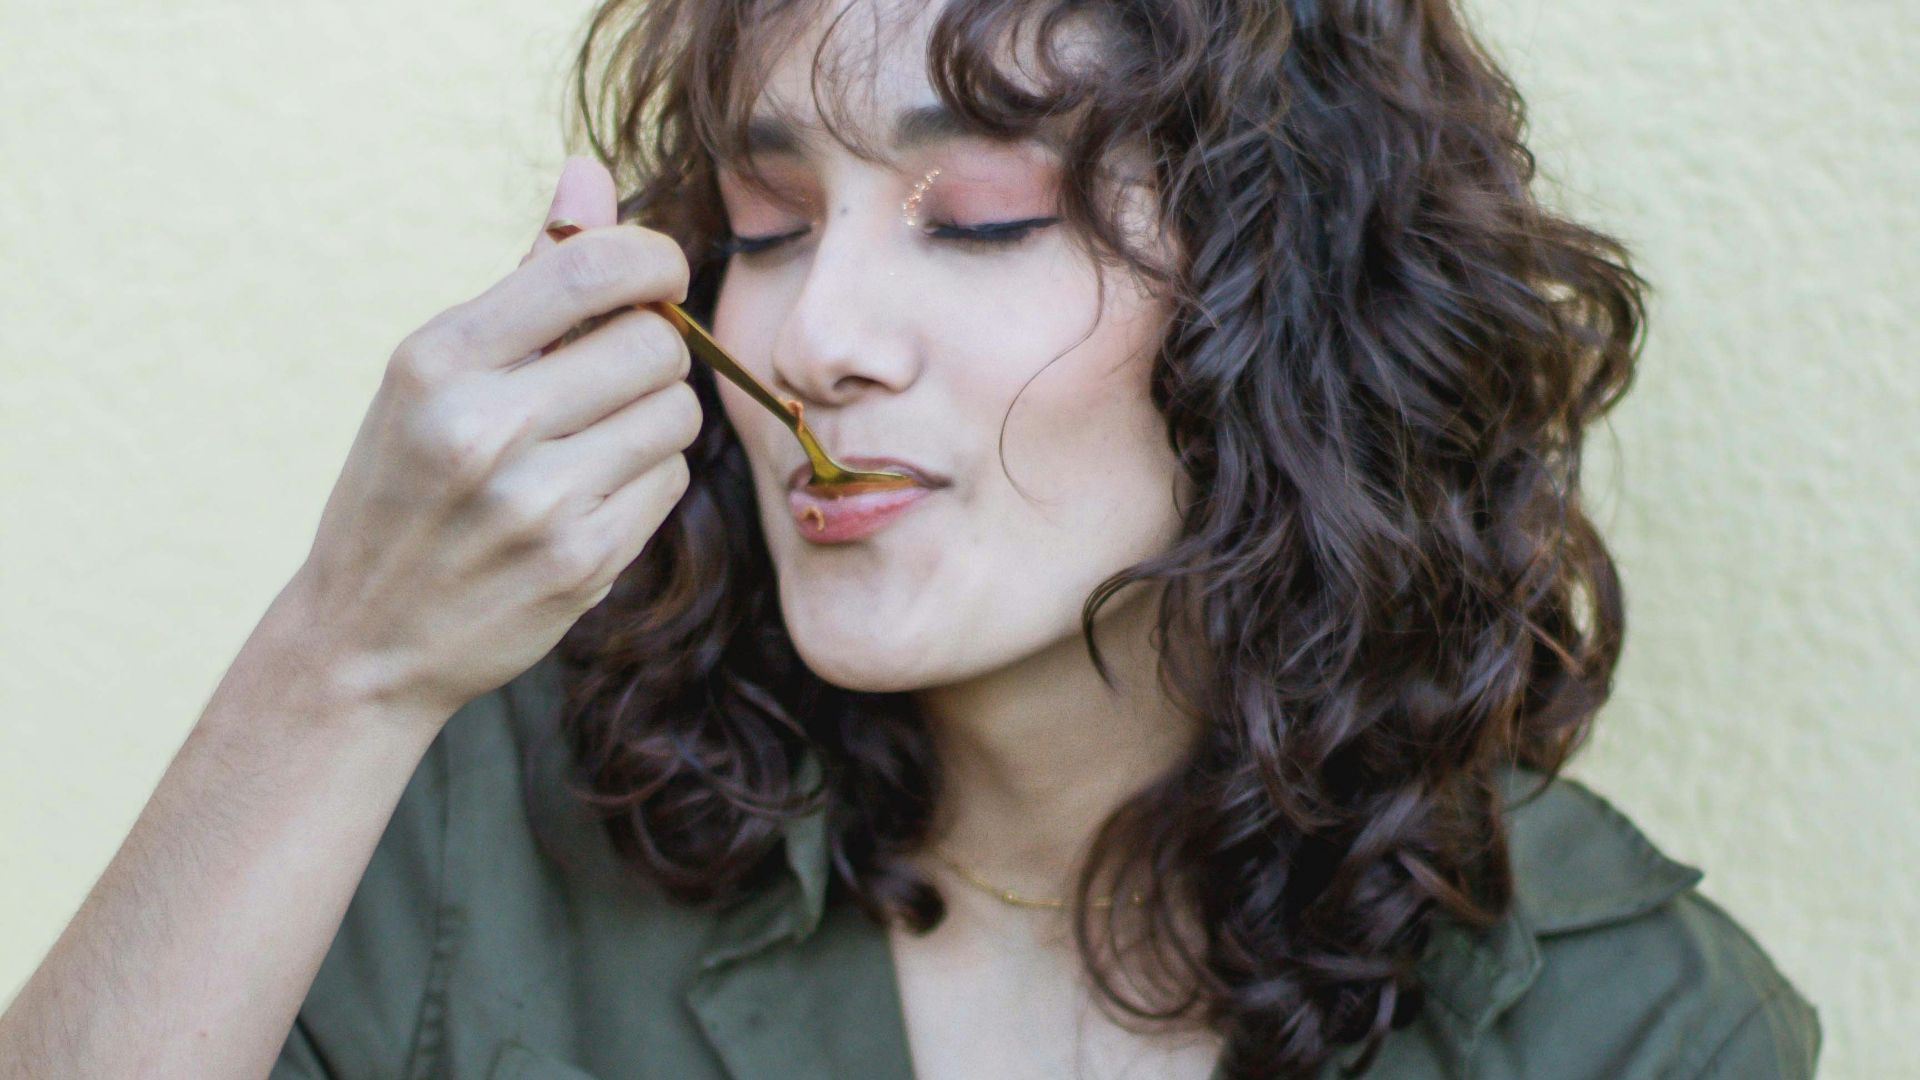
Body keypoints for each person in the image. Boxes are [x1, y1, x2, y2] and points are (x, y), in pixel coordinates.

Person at [0, 0, 1822, 1077]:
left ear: (1294, 310)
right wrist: (340, 662)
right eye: (769, 223)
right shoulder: (484, 824)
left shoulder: (1626, 1019)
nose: (810, 335)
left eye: (983, 221)